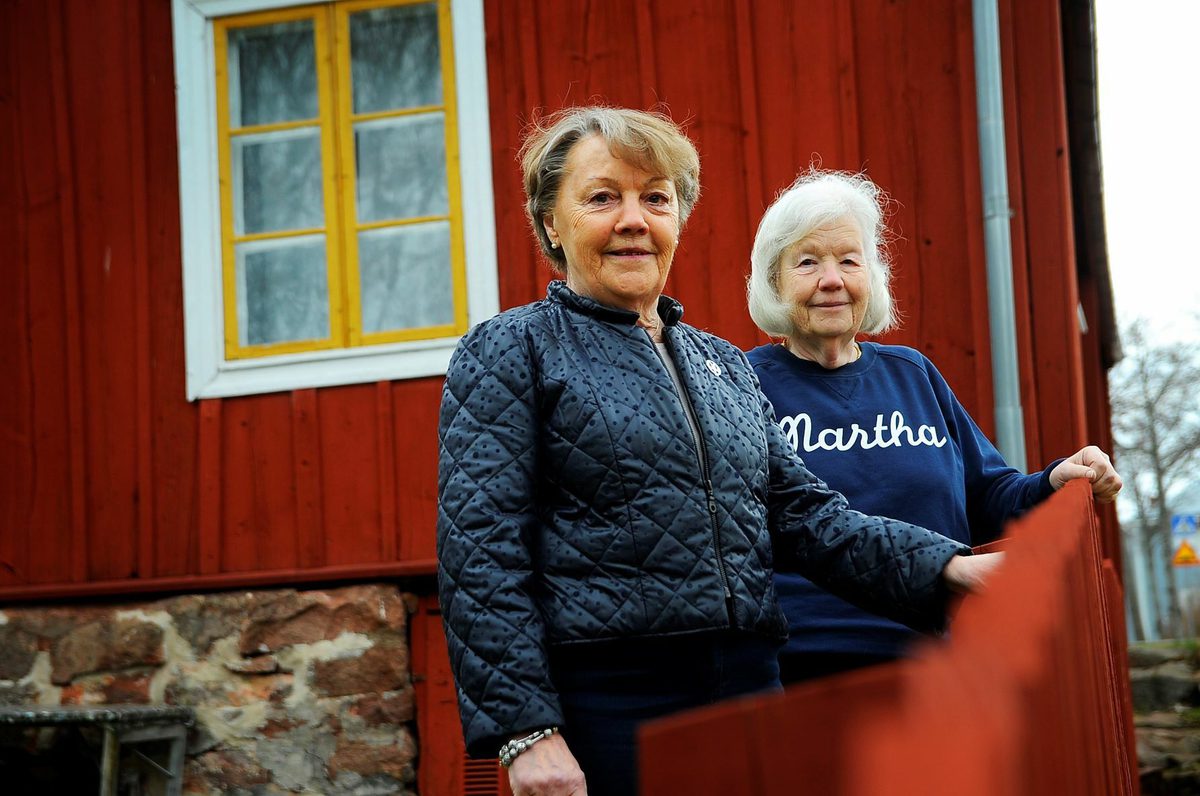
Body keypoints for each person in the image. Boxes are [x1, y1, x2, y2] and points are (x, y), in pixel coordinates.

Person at [436, 108, 998, 796]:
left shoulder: (723, 365)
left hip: (747, 689)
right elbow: (480, 552)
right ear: (551, 222)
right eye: (603, 197)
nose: (635, 219)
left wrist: (946, 569)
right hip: (611, 706)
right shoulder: (510, 350)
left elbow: (807, 517)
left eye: (656, 197)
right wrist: (527, 732)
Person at [745, 168, 1123, 684]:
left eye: (849, 261)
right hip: (805, 667)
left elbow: (989, 495)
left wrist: (1054, 480)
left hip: (937, 662)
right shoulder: (745, 385)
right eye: (807, 262)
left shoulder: (913, 374)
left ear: (871, 277)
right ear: (775, 282)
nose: (831, 279)